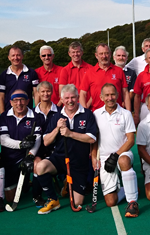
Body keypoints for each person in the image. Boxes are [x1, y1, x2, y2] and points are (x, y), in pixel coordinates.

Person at [34, 84, 98, 214]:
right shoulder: (56, 116)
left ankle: (67, 183)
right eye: (67, 98)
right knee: (40, 167)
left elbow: (92, 138)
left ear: (78, 97)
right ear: (62, 100)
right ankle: (53, 200)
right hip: (59, 158)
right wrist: (57, 129)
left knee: (78, 202)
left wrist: (70, 134)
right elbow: (46, 142)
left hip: (79, 162)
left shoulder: (87, 114)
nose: (70, 101)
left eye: (73, 97)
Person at [93, 83, 140, 217]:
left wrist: (116, 155)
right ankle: (128, 187)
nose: (110, 98)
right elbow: (94, 140)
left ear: (118, 95)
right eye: (107, 95)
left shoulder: (125, 114)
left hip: (122, 153)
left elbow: (131, 140)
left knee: (124, 161)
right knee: (111, 202)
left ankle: (132, 202)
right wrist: (93, 157)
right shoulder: (96, 114)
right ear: (101, 97)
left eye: (113, 94)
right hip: (104, 157)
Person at [0, 89, 46, 211]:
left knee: (38, 164)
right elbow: (3, 139)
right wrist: (21, 144)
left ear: (28, 101)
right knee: (9, 198)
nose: (19, 103)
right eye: (16, 100)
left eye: (22, 100)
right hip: (10, 158)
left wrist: (31, 154)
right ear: (11, 102)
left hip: (28, 155)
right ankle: (23, 183)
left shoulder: (36, 116)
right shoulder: (4, 116)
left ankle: (37, 195)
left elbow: (38, 138)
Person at [30, 81, 59, 206]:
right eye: (43, 91)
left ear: (52, 92)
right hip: (38, 149)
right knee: (37, 164)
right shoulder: (31, 113)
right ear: (38, 93)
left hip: (55, 149)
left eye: (48, 91)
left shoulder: (59, 111)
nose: (45, 94)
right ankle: (37, 195)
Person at [80, 43, 130, 111]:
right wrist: (84, 113)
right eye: (101, 54)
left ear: (110, 54)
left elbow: (125, 93)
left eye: (106, 53)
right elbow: (82, 94)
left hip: (117, 112)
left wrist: (129, 112)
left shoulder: (119, 71)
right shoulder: (89, 72)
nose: (104, 56)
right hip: (97, 113)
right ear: (96, 55)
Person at [0, 46, 39, 114]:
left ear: (22, 56)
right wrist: (3, 115)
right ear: (9, 57)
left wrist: (37, 112)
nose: (16, 58)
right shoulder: (3, 75)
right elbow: (1, 97)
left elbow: (36, 93)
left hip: (27, 114)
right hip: (9, 114)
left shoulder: (31, 73)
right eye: (13, 55)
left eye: (18, 55)